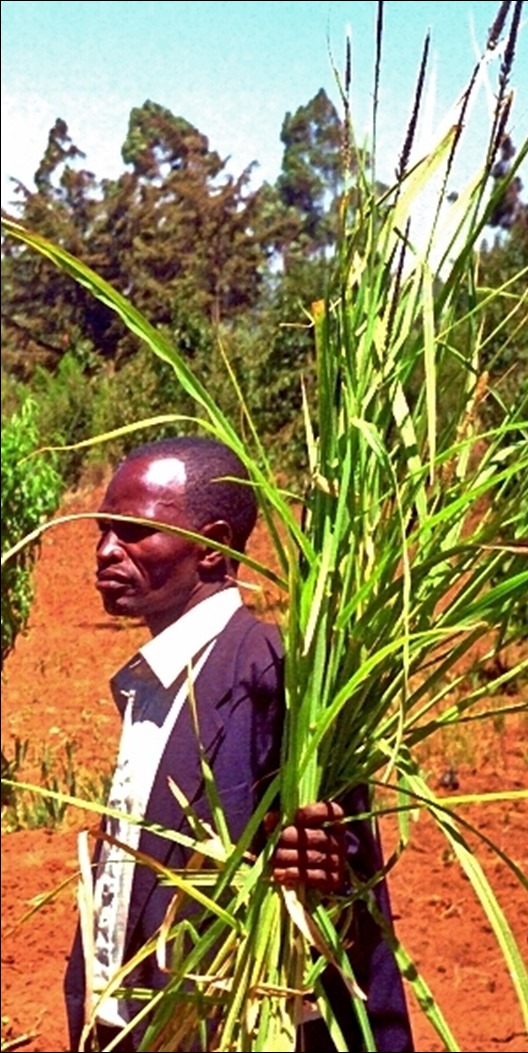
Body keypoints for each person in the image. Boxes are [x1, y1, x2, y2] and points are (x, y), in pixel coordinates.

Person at [63, 435, 413, 1053]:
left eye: (133, 532)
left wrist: (325, 875)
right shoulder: (156, 680)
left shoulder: (275, 675)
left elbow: (346, 888)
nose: (105, 551)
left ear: (215, 547)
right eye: (103, 530)